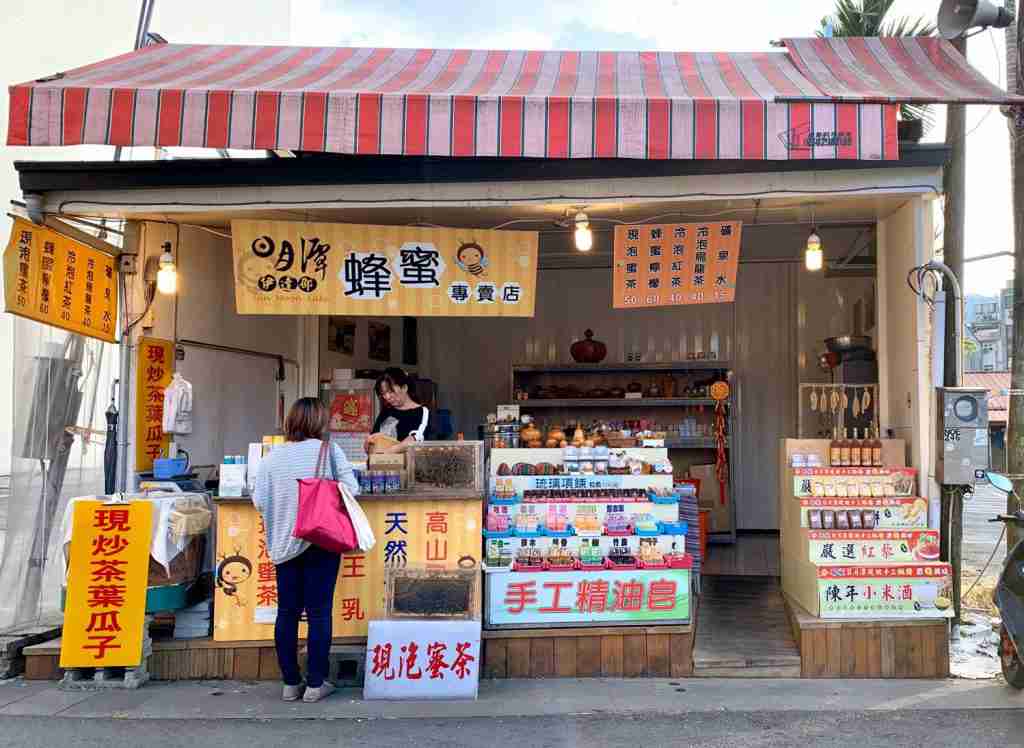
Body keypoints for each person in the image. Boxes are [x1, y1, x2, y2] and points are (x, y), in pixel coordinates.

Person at [252, 397, 359, 703]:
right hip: (321, 541)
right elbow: (352, 490)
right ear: (319, 422)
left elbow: (259, 501)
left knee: (286, 612)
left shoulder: (271, 458)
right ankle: (315, 684)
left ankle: (289, 683)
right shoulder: (329, 452)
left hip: (284, 545)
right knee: (319, 613)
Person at [366, 368, 430, 454]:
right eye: (383, 393)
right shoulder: (386, 411)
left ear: (404, 388)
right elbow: (373, 440)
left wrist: (387, 452)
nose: (387, 397)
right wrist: (369, 442)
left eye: (391, 391)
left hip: (408, 465)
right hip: (381, 465)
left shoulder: (422, 412)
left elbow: (416, 438)